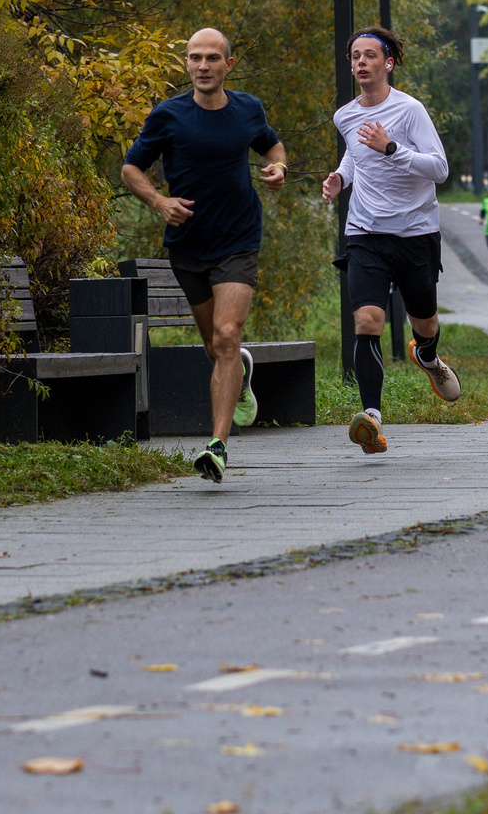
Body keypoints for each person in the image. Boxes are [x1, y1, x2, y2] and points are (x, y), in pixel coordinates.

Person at [121, 28, 288, 484]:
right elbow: (130, 167)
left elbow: (270, 145)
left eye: (213, 58)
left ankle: (217, 446)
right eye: (195, 58)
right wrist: (159, 202)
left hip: (238, 238)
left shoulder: (247, 109)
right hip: (189, 244)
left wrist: (279, 168)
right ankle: (241, 371)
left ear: (228, 64)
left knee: (228, 334)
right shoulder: (167, 116)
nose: (203, 66)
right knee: (215, 346)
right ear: (187, 64)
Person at [320, 27, 460, 455]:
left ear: (388, 63)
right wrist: (341, 177)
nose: (361, 62)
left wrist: (392, 148)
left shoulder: (410, 110)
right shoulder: (345, 116)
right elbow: (355, 152)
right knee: (367, 322)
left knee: (425, 324)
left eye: (369, 56)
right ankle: (372, 419)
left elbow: (439, 169)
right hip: (365, 234)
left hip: (415, 234)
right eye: (355, 56)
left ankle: (429, 358)